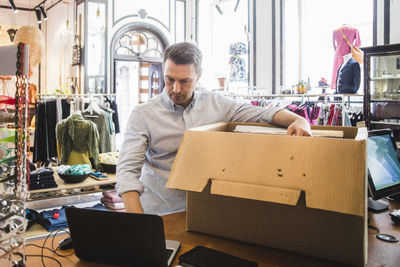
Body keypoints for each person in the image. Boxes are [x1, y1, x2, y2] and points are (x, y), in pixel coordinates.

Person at [116, 42, 312, 215]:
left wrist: (298, 120)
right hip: (159, 212)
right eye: (169, 80)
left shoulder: (218, 105)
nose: (175, 89)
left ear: (199, 75)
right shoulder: (142, 114)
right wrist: (139, 223)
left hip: (207, 213)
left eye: (184, 81)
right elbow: (127, 171)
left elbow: (261, 114)